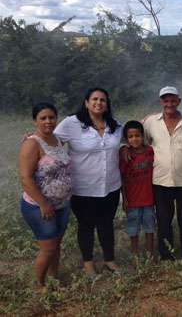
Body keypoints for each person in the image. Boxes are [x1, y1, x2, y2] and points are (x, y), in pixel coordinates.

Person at [54, 87, 122, 277]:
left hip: (111, 186)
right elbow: (50, 140)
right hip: (82, 188)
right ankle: (89, 264)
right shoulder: (71, 123)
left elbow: (134, 136)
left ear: (107, 104)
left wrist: (148, 119)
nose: (98, 103)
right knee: (86, 225)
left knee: (107, 224)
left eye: (102, 100)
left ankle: (110, 261)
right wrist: (32, 137)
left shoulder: (114, 125)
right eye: (94, 99)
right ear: (86, 102)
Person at [142, 86, 182, 260]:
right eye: (165, 101)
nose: (169, 104)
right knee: (164, 221)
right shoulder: (151, 123)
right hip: (160, 181)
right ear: (160, 102)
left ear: (179, 101)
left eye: (173, 100)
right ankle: (166, 255)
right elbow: (138, 141)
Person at [18, 103, 73, 288]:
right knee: (48, 248)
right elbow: (25, 178)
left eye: (51, 117)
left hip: (62, 204)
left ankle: (54, 278)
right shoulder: (32, 144)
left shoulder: (56, 140)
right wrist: (43, 203)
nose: (48, 121)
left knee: (56, 244)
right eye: (43, 118)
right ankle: (41, 286)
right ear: (35, 121)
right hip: (38, 206)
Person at [120, 121, 155, 260]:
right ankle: (135, 255)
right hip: (133, 201)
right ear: (126, 139)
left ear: (143, 136)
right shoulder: (125, 156)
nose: (134, 139)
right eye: (131, 136)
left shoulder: (149, 152)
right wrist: (125, 199)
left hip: (149, 199)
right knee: (133, 230)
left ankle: (149, 255)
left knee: (150, 228)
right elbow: (122, 178)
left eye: (137, 135)